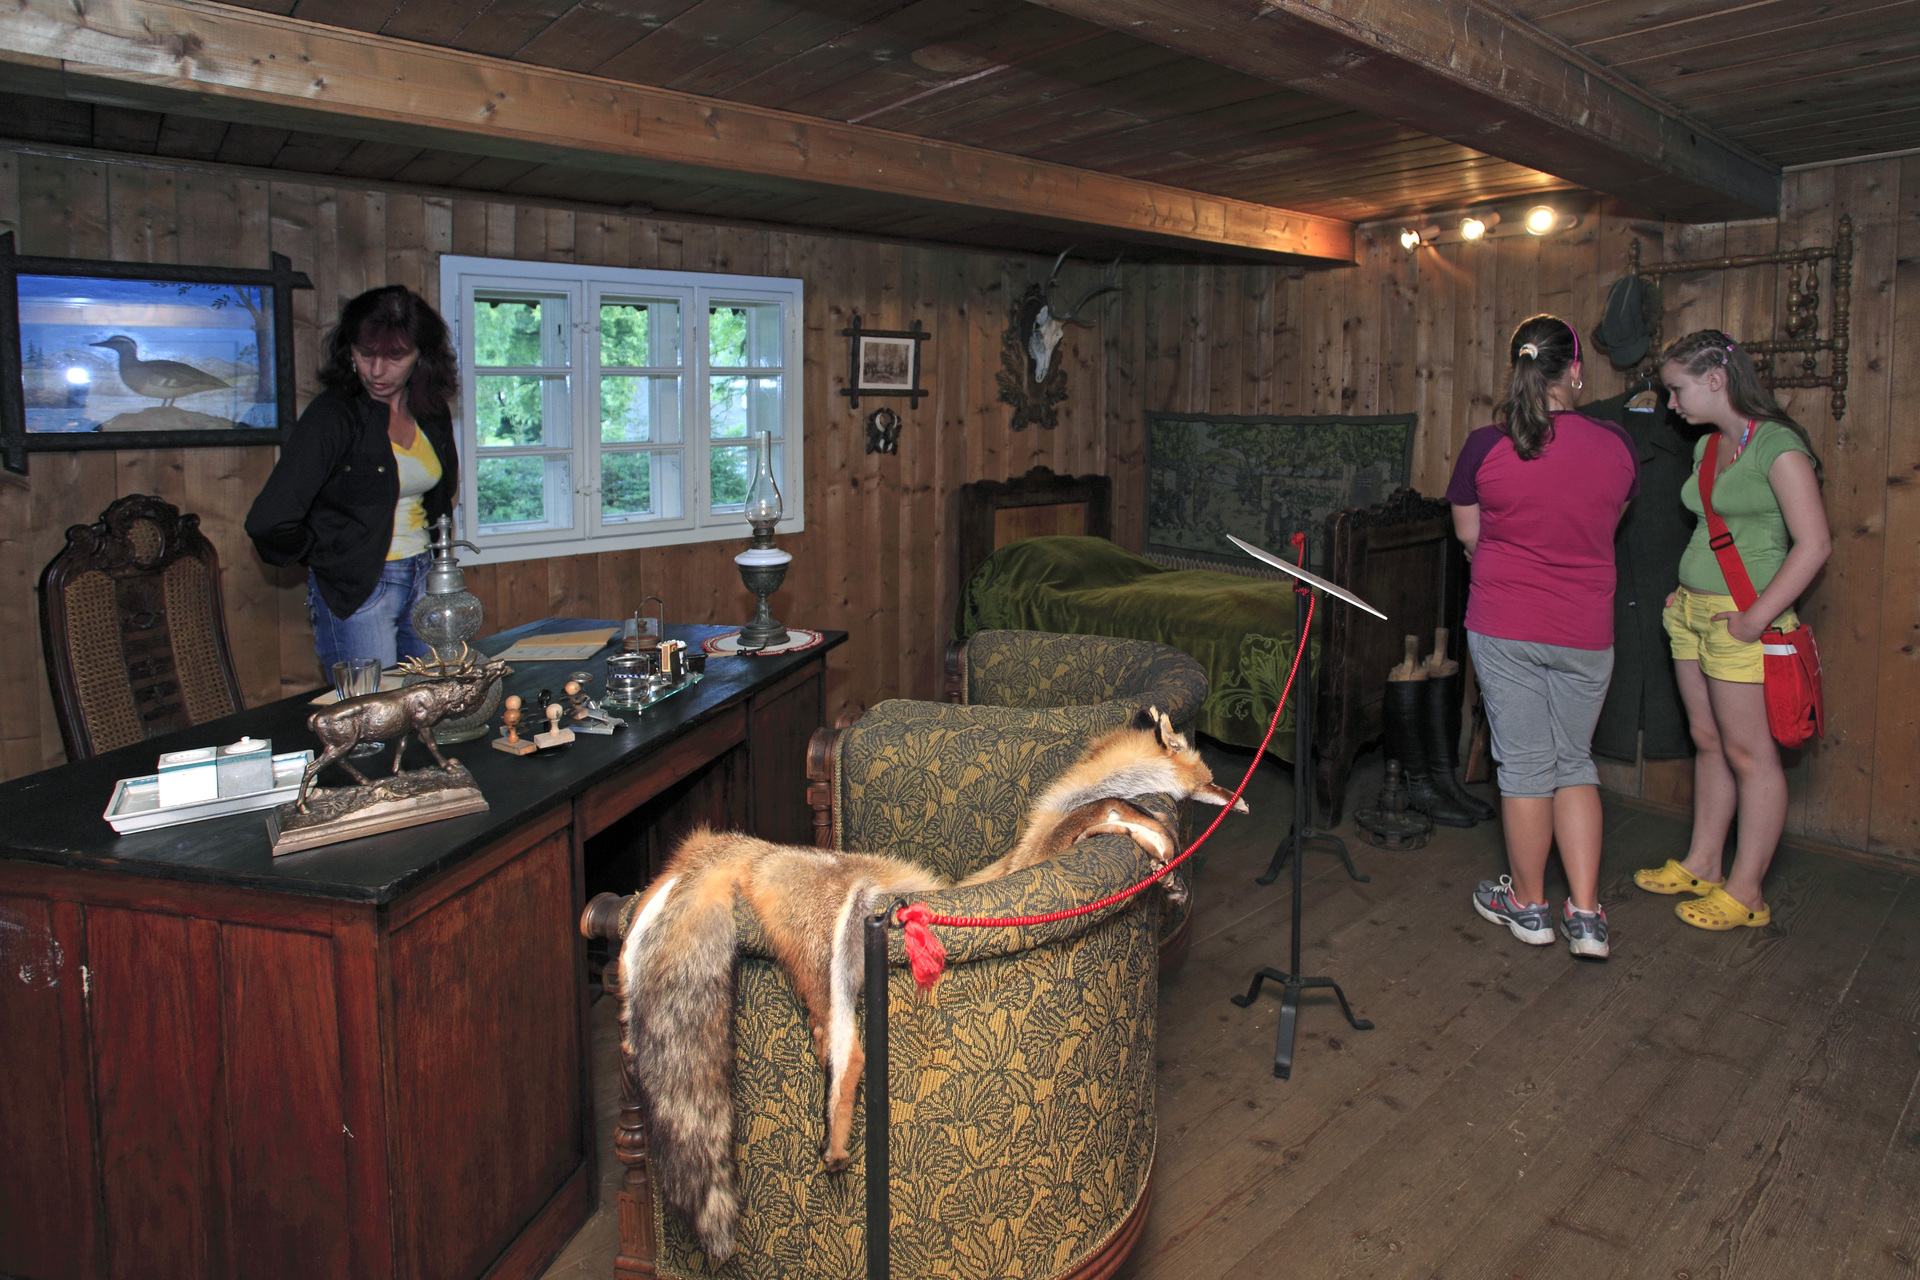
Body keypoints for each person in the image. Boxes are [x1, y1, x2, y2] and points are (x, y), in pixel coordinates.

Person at [1447, 315, 1639, 960]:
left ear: (1517, 370)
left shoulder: (1484, 445)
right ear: (1576, 371)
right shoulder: (1616, 446)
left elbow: (1470, 537)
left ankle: (1528, 908)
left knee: (1525, 767)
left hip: (1507, 625)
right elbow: (1604, 522)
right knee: (1574, 762)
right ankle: (1585, 916)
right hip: (1586, 628)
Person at [1632, 330, 1830, 929]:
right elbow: (1709, 527)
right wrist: (1685, 588)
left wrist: (1752, 618)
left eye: (1676, 390)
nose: (1671, 405)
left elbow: (1815, 544)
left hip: (1742, 623)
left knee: (1751, 755)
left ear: (1716, 380)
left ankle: (1747, 893)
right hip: (1692, 613)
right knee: (1708, 739)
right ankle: (1704, 862)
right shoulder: (1711, 446)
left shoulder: (1779, 446)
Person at [246, 285, 460, 676]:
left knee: (433, 704)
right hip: (361, 586)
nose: (376, 371)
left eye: (395, 357)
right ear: (348, 351)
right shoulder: (332, 416)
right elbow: (270, 520)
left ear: (421, 356)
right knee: (369, 719)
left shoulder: (430, 411)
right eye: (365, 355)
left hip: (425, 579)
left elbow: (442, 492)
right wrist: (331, 556)